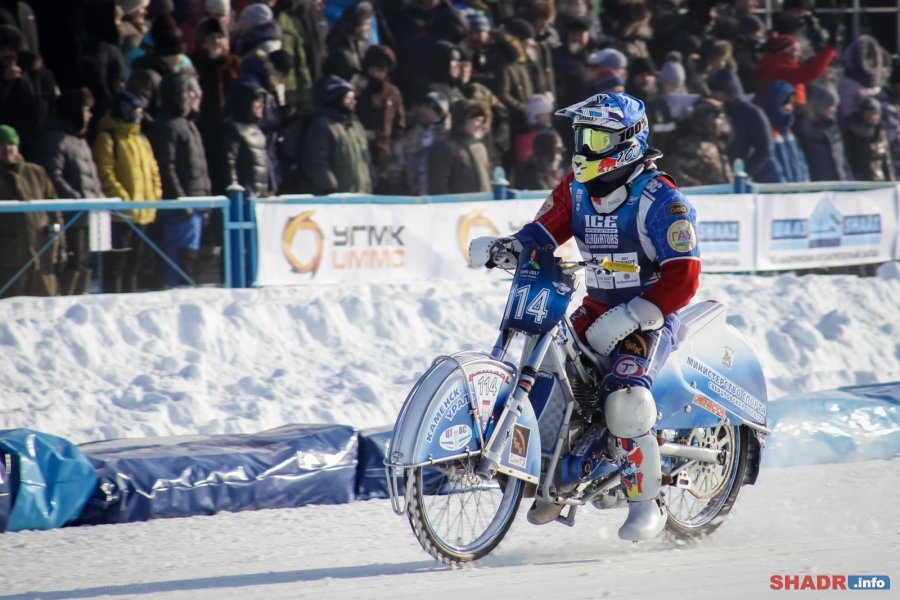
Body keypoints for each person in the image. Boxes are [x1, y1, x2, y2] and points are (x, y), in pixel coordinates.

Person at [467, 92, 701, 542]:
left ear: (628, 142)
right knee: (552, 376)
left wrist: (637, 312)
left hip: (652, 315)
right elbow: (540, 233)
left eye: (596, 138)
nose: (584, 150)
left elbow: (684, 277)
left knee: (626, 393)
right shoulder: (574, 190)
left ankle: (645, 501)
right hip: (594, 308)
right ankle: (559, 474)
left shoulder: (662, 201)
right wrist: (505, 248)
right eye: (580, 137)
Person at [38, 88, 106, 295]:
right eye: (86, 109)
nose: (90, 114)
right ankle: (66, 304)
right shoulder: (55, 139)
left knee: (86, 262)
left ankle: (80, 302)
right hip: (70, 215)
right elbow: (52, 175)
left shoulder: (80, 141)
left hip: (88, 214)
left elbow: (91, 179)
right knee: (74, 262)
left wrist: (100, 200)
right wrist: (77, 200)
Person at [0, 124, 65, 299]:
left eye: (10, 144)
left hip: (43, 255)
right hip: (8, 259)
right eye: (1, 145)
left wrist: (59, 241)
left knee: (47, 311)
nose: (6, 149)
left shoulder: (36, 172)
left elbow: (54, 209)